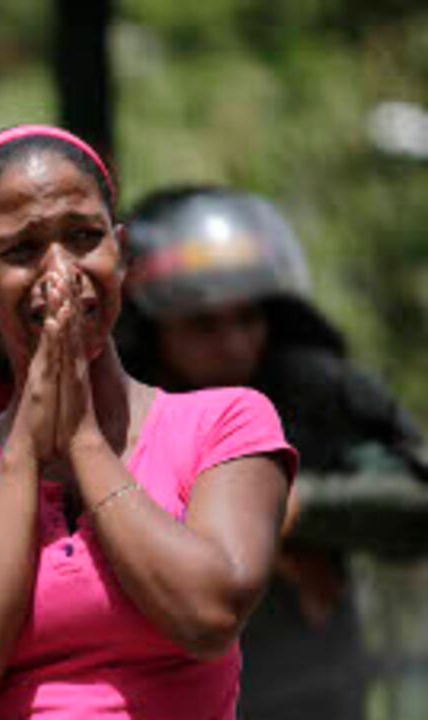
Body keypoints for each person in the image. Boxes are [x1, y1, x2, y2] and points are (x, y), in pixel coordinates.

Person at [0, 125, 297, 719]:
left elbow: (207, 617)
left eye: (85, 238)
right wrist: (23, 455)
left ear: (121, 254)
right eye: (21, 251)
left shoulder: (224, 423)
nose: (61, 272)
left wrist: (83, 441)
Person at [118, 186, 428, 720]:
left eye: (247, 318)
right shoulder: (109, 410)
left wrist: (294, 508)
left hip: (312, 692)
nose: (234, 343)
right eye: (203, 325)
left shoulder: (312, 390)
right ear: (153, 329)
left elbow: (415, 497)